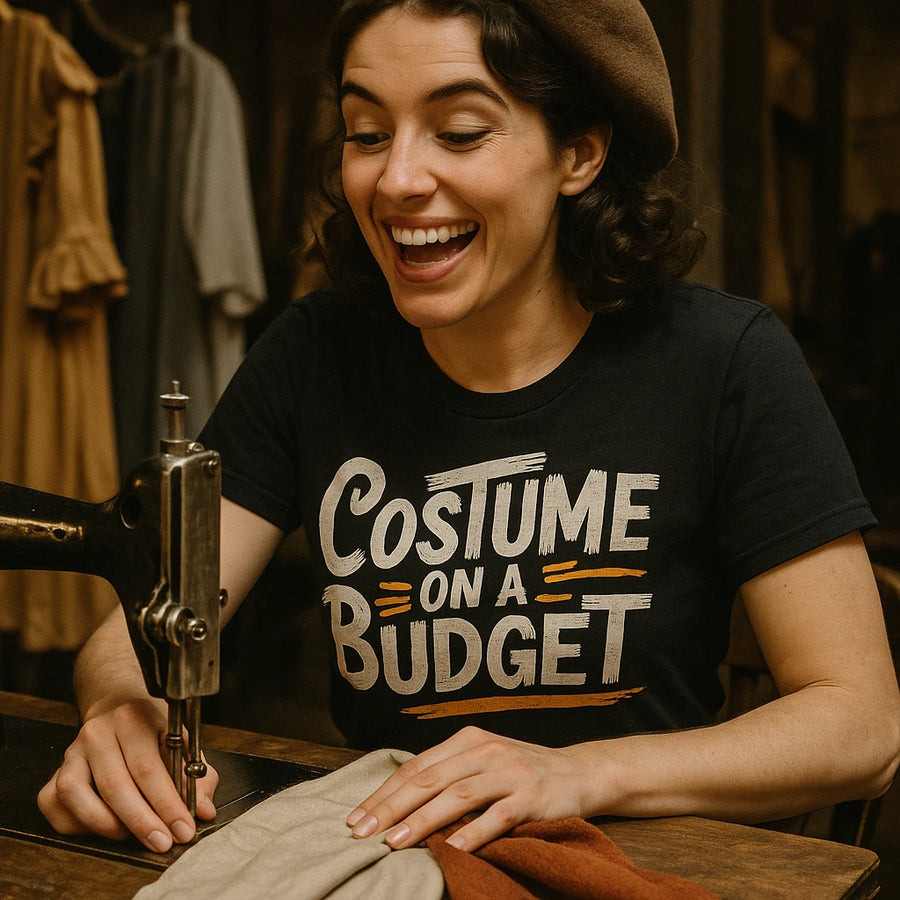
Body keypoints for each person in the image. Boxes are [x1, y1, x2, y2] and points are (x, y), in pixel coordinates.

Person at [39, 0, 900, 859]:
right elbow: (144, 627)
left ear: (579, 152)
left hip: (635, 865)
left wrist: (577, 773)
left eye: (458, 132)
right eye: (366, 133)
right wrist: (122, 709)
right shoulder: (314, 355)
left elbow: (861, 725)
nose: (398, 179)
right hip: (396, 861)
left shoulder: (723, 363)